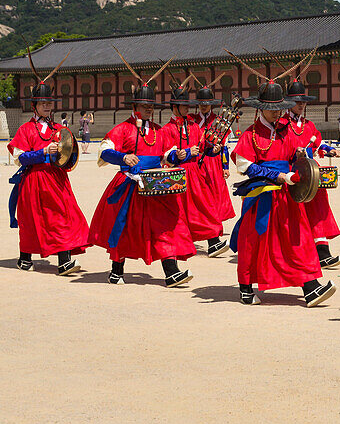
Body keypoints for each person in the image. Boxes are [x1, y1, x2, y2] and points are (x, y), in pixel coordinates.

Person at [88, 56, 194, 288]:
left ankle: (171, 271)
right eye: (145, 106)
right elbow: (104, 151)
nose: (148, 110)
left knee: (164, 225)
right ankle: (116, 270)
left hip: (155, 185)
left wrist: (180, 155)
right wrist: (122, 157)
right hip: (128, 184)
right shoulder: (122, 129)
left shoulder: (159, 130)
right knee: (123, 226)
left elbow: (167, 155)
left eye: (151, 107)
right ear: (135, 107)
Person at [229, 76, 335, 307]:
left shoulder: (286, 132)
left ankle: (310, 286)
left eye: (280, 108)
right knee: (253, 242)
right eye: (272, 109)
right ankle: (245, 289)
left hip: (286, 195)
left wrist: (297, 158)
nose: (277, 113)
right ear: (261, 109)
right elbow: (243, 165)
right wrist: (274, 175)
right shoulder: (250, 135)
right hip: (261, 196)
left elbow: (290, 158)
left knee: (299, 237)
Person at [6, 80, 90, 275]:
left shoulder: (59, 130)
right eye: (43, 103)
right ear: (34, 105)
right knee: (31, 219)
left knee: (62, 216)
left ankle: (64, 260)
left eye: (49, 103)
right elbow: (20, 158)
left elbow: (68, 154)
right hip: (34, 180)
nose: (47, 106)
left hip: (56, 179)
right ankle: (24, 257)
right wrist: (42, 152)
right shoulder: (25, 130)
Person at [158, 83, 230, 258]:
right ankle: (193, 243)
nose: (187, 108)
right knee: (182, 212)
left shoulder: (193, 126)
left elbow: (204, 145)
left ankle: (213, 241)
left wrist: (213, 150)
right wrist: (179, 155)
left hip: (195, 173)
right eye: (184, 106)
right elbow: (164, 155)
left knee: (204, 206)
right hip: (177, 174)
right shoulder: (166, 129)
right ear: (175, 107)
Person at [283, 74, 340, 269]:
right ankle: (298, 253)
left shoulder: (308, 125)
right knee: (295, 215)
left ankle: (323, 252)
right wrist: (294, 152)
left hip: (312, 175)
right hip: (292, 176)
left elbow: (318, 144)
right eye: (296, 101)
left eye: (303, 101)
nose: (301, 105)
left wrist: (328, 150)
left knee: (318, 210)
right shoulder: (282, 125)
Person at [192, 81, 236, 255]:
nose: (204, 107)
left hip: (214, 163)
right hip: (197, 162)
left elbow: (224, 147)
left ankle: (214, 231)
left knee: (214, 197)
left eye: (207, 104)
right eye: (201, 104)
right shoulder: (192, 121)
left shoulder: (218, 121)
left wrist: (225, 166)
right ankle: (209, 235)